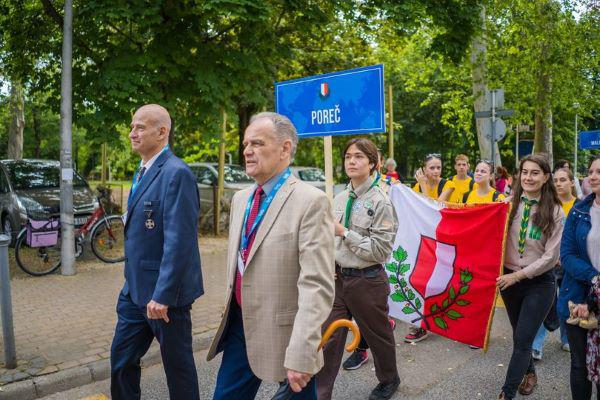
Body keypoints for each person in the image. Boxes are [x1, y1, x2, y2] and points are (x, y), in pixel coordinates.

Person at [207, 112, 335, 400]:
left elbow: (317, 285)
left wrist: (303, 351)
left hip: (288, 332)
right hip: (241, 327)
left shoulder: (311, 202)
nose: (248, 151)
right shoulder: (241, 200)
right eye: (245, 144)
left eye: (257, 143)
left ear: (285, 148)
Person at [110, 104, 203, 400]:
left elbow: (180, 241)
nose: (132, 133)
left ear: (162, 132)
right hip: (135, 292)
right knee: (121, 361)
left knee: (178, 369)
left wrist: (162, 295)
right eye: (132, 126)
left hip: (165, 298)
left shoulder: (177, 173)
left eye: (140, 127)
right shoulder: (142, 171)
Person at [317, 138, 400, 400]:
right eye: (348, 157)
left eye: (359, 157)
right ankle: (320, 392)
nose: (351, 161)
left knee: (378, 336)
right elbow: (329, 239)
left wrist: (344, 232)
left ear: (373, 164)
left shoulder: (381, 202)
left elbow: (380, 251)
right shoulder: (340, 198)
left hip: (368, 280)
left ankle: (389, 379)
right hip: (339, 280)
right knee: (329, 336)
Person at [496, 154, 564, 400]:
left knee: (524, 340)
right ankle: (530, 373)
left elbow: (550, 257)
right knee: (519, 335)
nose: (528, 177)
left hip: (539, 284)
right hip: (508, 281)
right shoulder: (507, 204)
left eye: (535, 173)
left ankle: (507, 392)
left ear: (546, 177)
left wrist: (518, 276)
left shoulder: (555, 211)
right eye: (525, 172)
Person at [558, 155, 600, 400]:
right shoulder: (579, 210)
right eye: (590, 171)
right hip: (577, 296)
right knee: (579, 365)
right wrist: (595, 278)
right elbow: (567, 254)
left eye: (599, 172)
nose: (593, 176)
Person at [407, 153, 455, 343]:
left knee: (448, 280)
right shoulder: (417, 186)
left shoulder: (448, 185)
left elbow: (432, 208)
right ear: (424, 170)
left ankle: (448, 318)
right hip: (426, 238)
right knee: (421, 278)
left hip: (448, 236)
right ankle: (420, 325)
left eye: (438, 167)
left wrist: (424, 186)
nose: (436, 171)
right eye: (432, 168)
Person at [531, 167, 577, 360]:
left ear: (572, 183)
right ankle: (536, 345)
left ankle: (567, 338)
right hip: (548, 263)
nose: (558, 183)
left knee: (566, 303)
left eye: (563, 180)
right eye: (556, 180)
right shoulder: (546, 205)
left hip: (570, 264)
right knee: (543, 303)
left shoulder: (580, 205)